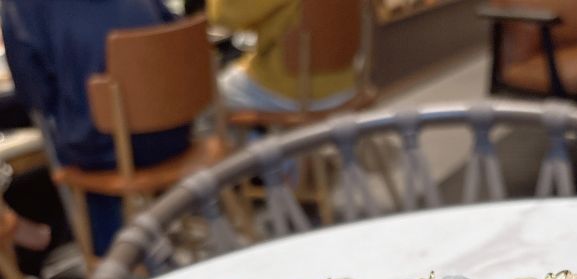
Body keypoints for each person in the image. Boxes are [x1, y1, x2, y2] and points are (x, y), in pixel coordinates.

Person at [1, 0, 192, 257]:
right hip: (179, 130)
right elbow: (176, 30)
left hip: (111, 150)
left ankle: (113, 260)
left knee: (77, 138)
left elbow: (35, 96)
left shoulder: (20, 7)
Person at [209, 0, 356, 112]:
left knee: (209, 97)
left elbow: (222, 16)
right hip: (347, 82)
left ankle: (256, 140)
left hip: (288, 91)